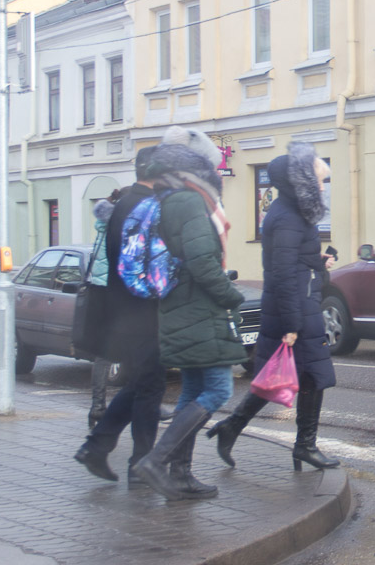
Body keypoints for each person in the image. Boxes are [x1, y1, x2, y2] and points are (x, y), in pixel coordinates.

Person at [131, 127, 248, 501]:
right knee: (217, 389)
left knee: (194, 390)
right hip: (199, 307)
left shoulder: (171, 196)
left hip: (184, 306)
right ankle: (156, 461)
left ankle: (180, 474)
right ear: (199, 169)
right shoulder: (189, 200)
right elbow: (201, 261)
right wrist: (230, 295)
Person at [207, 142, 339, 472]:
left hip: (299, 306)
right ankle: (304, 446)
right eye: (318, 180)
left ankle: (235, 428)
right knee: (309, 377)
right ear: (302, 182)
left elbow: (293, 261)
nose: (322, 186)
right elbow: (280, 274)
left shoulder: (293, 215)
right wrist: (293, 325)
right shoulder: (286, 218)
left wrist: (318, 261)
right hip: (293, 311)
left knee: (285, 377)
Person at [75, 146, 165, 483]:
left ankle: (97, 447)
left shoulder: (123, 205)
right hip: (142, 312)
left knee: (142, 384)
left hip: (124, 312)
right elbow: (140, 267)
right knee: (149, 387)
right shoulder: (144, 207)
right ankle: (140, 464)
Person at [86, 190, 119, 429]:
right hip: (112, 291)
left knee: (103, 354)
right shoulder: (115, 230)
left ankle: (97, 406)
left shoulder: (102, 227)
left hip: (99, 292)